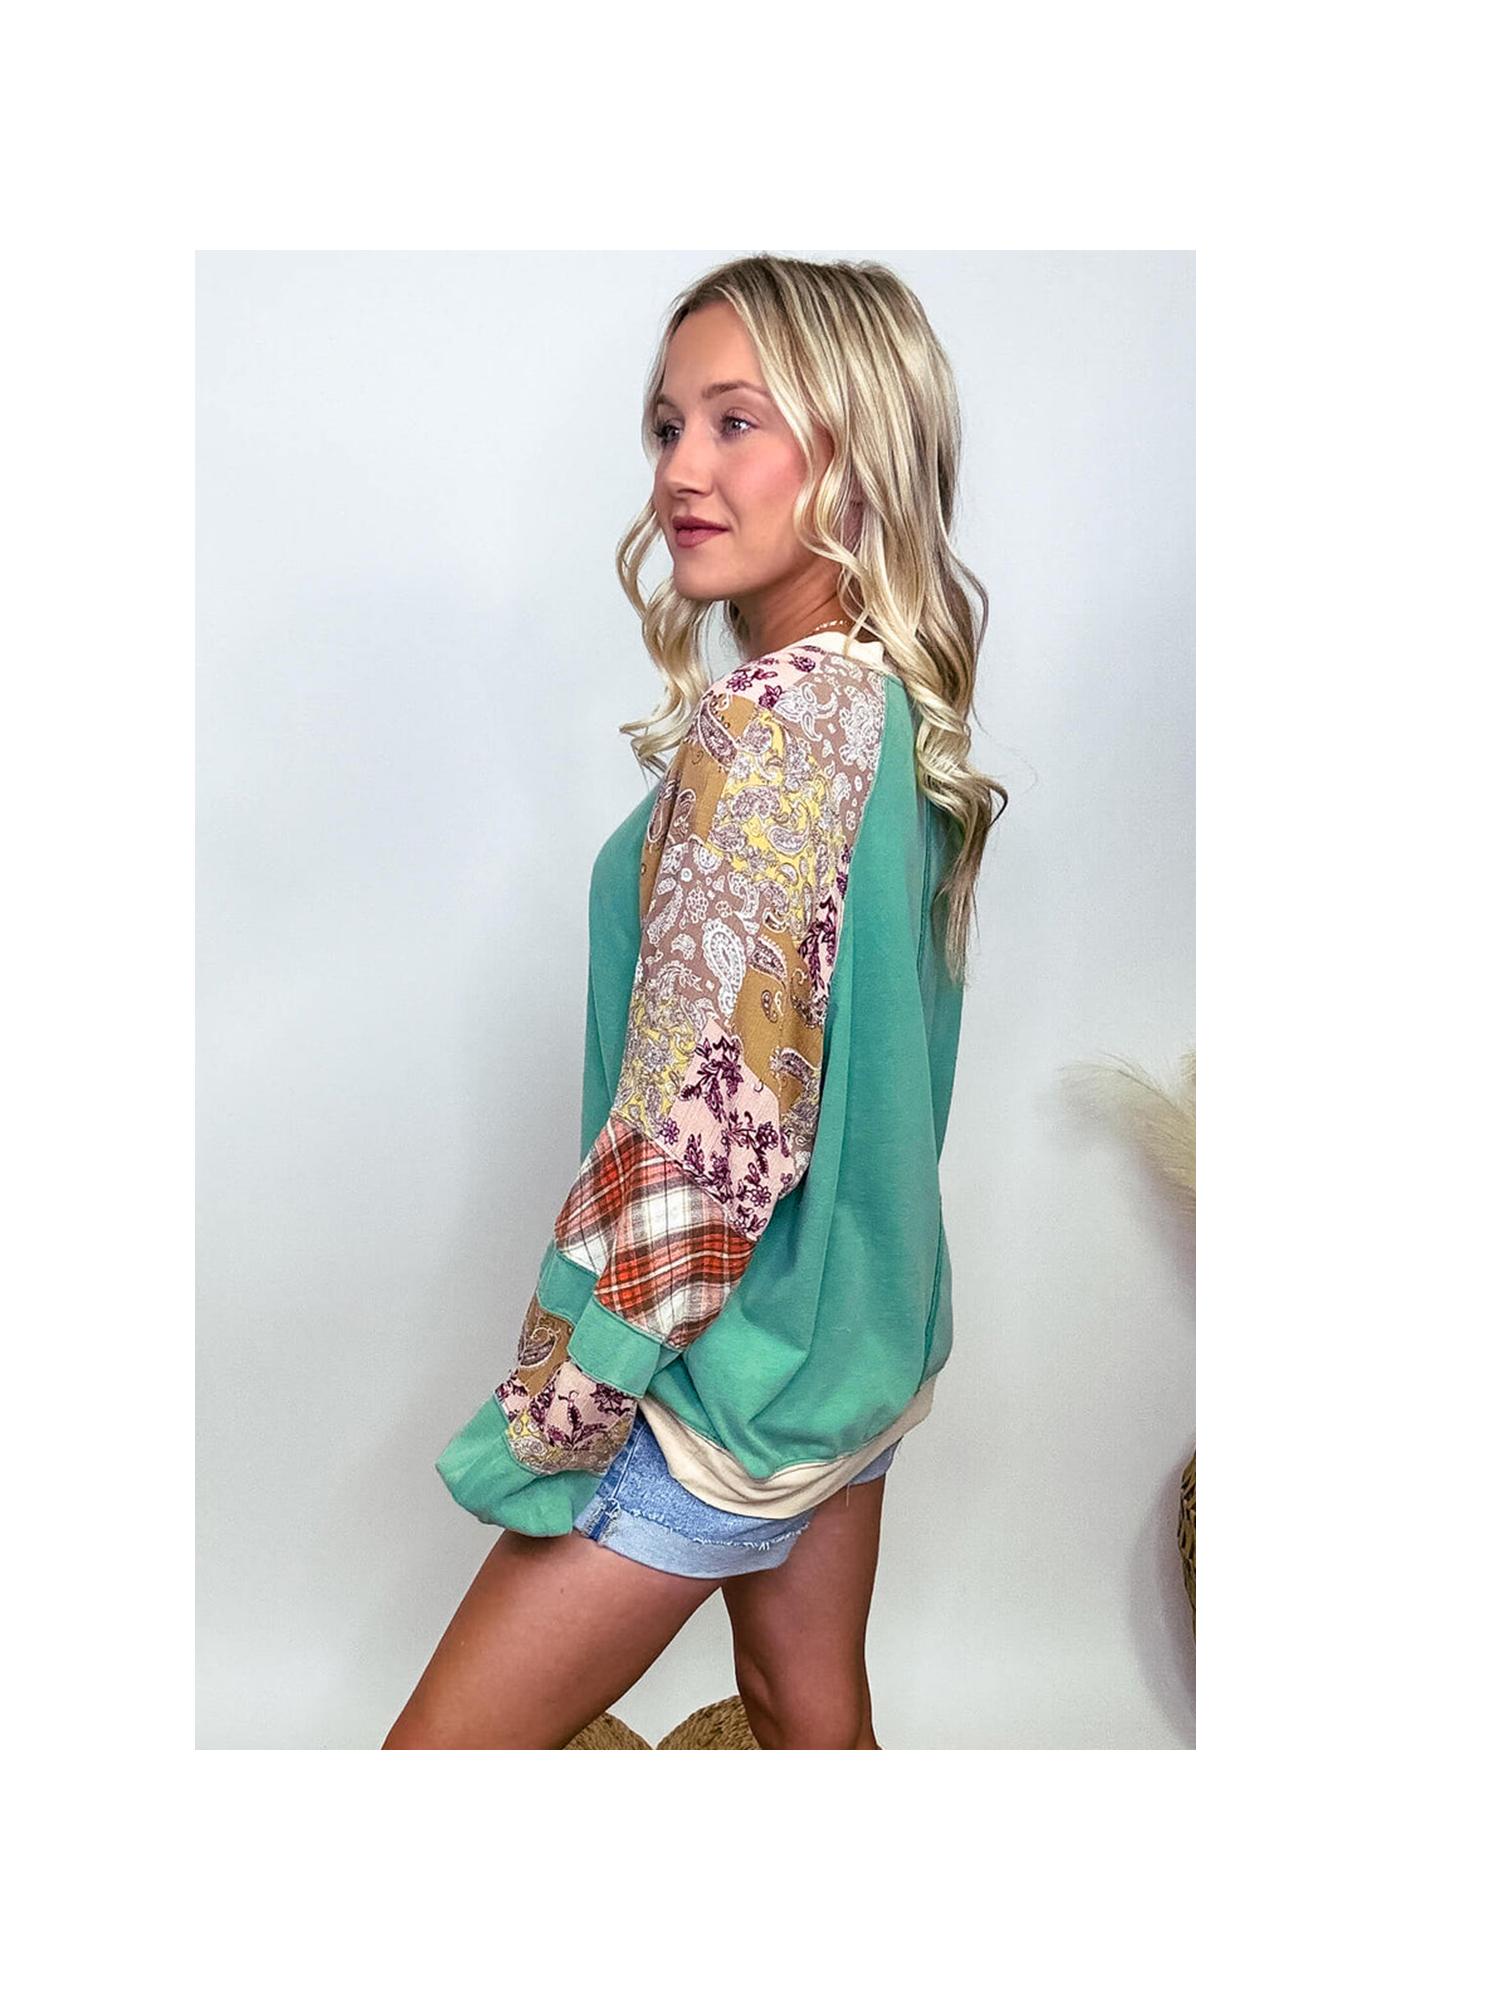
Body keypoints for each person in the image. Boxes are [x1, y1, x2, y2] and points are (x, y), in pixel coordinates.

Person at [383, 254, 1006, 1750]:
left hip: (720, 1380)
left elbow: (711, 1143)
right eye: (668, 426)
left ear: (858, 448)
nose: (680, 469)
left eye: (737, 421)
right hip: (848, 1353)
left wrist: (575, 1394)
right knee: (809, 1717)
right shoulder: (889, 709)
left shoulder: (772, 723)